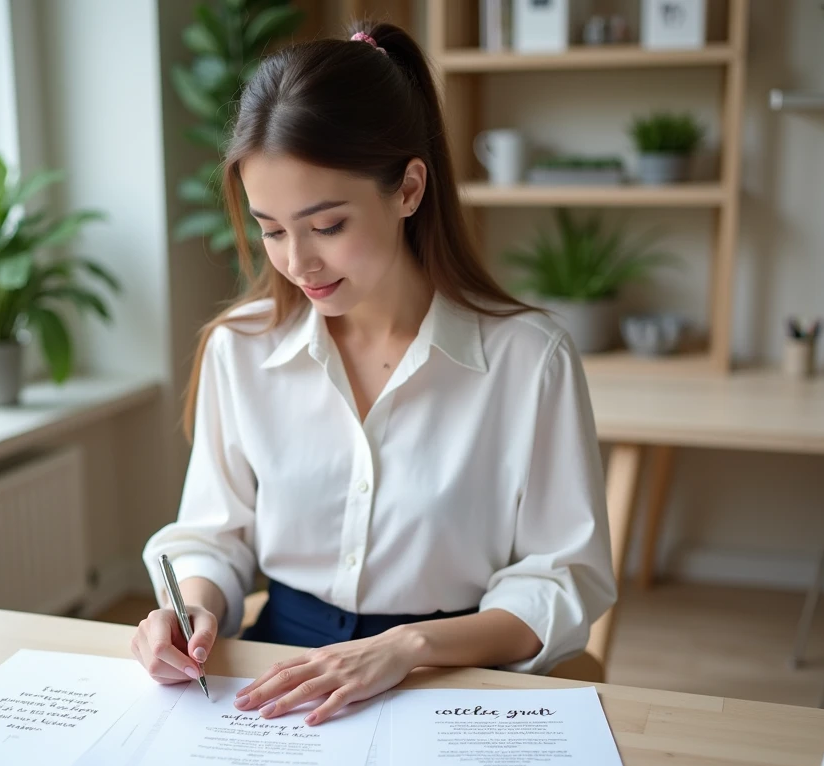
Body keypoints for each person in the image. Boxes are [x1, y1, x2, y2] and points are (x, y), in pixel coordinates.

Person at [133, 22, 615, 727]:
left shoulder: (527, 359)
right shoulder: (239, 350)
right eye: (270, 228)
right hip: (281, 669)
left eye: (326, 225)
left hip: (453, 668)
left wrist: (409, 647)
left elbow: (563, 578)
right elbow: (215, 535)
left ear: (409, 189)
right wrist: (192, 611)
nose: (297, 262)